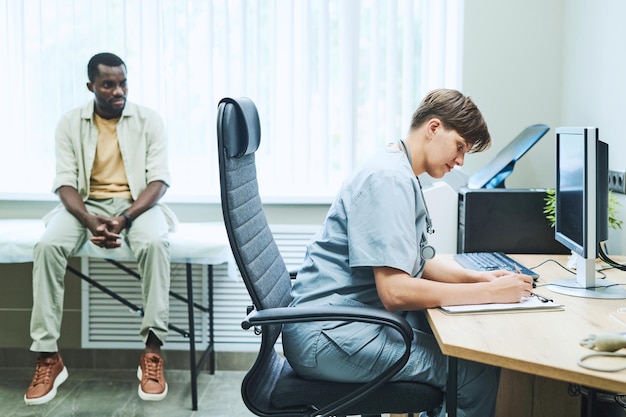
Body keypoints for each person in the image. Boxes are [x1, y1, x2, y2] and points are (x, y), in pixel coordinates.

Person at [281, 89, 534, 417]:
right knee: (473, 372)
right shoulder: (389, 179)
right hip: (329, 336)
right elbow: (396, 292)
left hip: (339, 324)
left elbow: (415, 263)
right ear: (433, 128)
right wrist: (489, 293)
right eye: (459, 147)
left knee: (459, 350)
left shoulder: (397, 168)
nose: (460, 161)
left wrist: (478, 278)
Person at [24, 52, 178, 405]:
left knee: (155, 242)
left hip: (137, 204)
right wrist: (90, 221)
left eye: (123, 82)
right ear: (91, 86)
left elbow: (159, 181)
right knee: (47, 246)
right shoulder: (69, 123)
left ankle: (152, 352)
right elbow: (64, 183)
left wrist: (124, 219)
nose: (118, 90)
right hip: (86, 204)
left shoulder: (149, 121)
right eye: (108, 84)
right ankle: (48, 356)